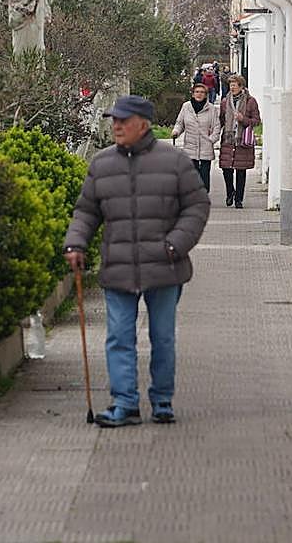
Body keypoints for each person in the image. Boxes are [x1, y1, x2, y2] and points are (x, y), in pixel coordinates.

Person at [63, 95, 210, 428]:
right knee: (118, 336)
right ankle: (125, 404)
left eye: (123, 120)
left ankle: (162, 401)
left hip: (165, 266)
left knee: (163, 337)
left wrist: (175, 245)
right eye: (113, 120)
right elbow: (86, 211)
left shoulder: (174, 161)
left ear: (143, 124)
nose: (116, 126)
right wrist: (75, 242)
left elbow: (197, 207)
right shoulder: (101, 164)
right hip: (119, 265)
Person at [218, 75, 261, 209]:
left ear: (241, 86)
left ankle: (239, 199)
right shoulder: (225, 101)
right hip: (228, 138)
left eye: (235, 85)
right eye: (231, 84)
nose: (232, 87)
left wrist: (243, 119)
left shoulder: (250, 101)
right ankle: (230, 192)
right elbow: (221, 119)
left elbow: (256, 120)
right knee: (226, 169)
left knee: (241, 171)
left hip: (243, 139)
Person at [171, 82, 220, 192]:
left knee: (204, 175)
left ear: (206, 95)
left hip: (205, 146)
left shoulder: (211, 109)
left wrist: (211, 139)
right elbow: (180, 123)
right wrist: (176, 131)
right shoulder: (186, 107)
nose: (199, 94)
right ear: (193, 94)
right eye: (197, 92)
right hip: (190, 146)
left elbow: (216, 126)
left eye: (202, 92)